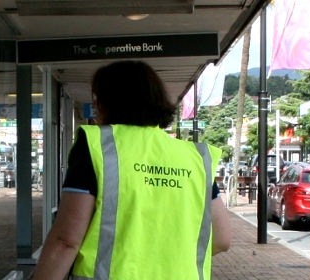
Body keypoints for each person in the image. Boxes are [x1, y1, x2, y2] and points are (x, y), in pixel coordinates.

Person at [35, 61, 231, 280]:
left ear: (109, 101)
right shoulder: (196, 157)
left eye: (97, 97)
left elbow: (66, 241)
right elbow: (222, 240)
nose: (95, 105)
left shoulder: (98, 146)